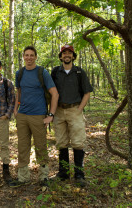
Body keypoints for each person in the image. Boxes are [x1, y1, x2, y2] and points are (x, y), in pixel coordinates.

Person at [9, 46, 59, 187]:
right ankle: (23, 177)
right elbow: (19, 92)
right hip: (22, 116)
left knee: (41, 146)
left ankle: (43, 177)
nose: (29, 58)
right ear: (23, 57)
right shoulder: (19, 73)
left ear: (36, 57)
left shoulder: (42, 73)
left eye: (32, 55)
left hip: (38, 115)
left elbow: (55, 94)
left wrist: (51, 115)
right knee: (22, 146)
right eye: (26, 55)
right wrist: (15, 109)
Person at [51, 44, 93, 187]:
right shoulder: (55, 72)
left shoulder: (79, 72)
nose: (67, 55)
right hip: (59, 111)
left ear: (73, 56)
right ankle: (63, 173)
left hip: (75, 109)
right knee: (61, 142)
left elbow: (87, 92)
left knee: (78, 142)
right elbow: (50, 92)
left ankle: (79, 174)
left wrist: (80, 108)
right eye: (64, 53)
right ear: (61, 56)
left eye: (69, 53)